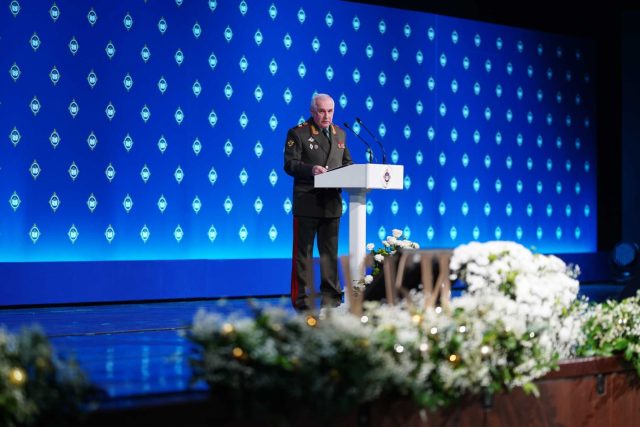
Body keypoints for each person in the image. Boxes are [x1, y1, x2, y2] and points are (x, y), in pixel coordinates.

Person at [284, 93, 353, 311]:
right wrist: (311, 169)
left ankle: (331, 299)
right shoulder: (298, 133)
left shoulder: (340, 133)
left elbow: (348, 163)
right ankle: (302, 300)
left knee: (329, 255)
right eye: (322, 111)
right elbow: (290, 165)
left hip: (332, 203)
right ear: (313, 111)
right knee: (303, 255)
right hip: (308, 201)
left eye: (330, 111)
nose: (326, 116)